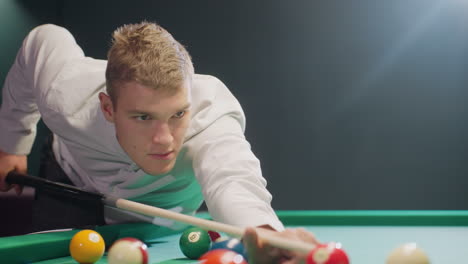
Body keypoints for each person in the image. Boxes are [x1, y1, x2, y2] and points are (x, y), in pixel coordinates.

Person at [0, 22, 317, 263]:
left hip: (156, 214)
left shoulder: (211, 116)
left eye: (178, 113)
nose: (164, 139)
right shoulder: (66, 94)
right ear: (108, 108)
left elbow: (232, 177)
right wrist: (12, 142)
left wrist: (263, 233)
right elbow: (42, 39)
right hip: (71, 183)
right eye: (143, 117)